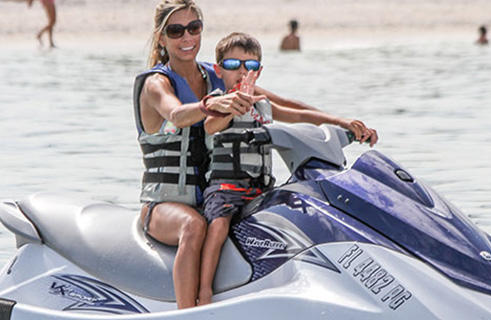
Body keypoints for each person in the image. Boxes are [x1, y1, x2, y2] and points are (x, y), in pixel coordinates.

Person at [133, 0, 377, 309]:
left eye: (194, 28)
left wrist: (342, 123)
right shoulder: (156, 83)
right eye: (176, 30)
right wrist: (212, 105)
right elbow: (178, 114)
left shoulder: (219, 74)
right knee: (193, 226)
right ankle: (189, 312)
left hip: (216, 193)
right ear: (161, 37)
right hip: (165, 204)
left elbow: (288, 107)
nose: (187, 38)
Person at [196, 32, 376, 305]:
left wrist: (342, 123)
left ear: (259, 71)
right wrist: (234, 107)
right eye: (234, 66)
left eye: (251, 66)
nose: (243, 72)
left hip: (260, 189)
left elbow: (299, 115)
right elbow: (210, 127)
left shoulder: (263, 103)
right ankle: (204, 290)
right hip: (225, 190)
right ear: (219, 70)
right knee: (219, 225)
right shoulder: (219, 102)